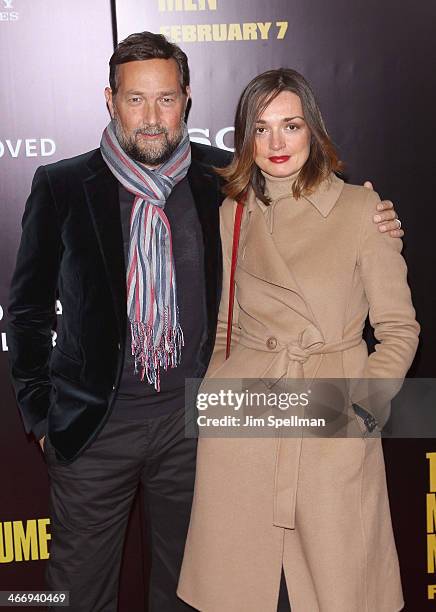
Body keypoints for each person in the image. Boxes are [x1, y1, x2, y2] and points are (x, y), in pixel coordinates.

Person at [7, 30, 402, 612]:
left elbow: (312, 199)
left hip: (194, 429)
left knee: (188, 593)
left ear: (187, 99)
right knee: (74, 595)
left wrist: (378, 215)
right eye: (135, 98)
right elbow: (28, 310)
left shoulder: (224, 179)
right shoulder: (62, 186)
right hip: (93, 431)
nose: (151, 116)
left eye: (165, 98)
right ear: (110, 99)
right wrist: (41, 417)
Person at [177, 69, 419, 612]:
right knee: (247, 589)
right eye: (261, 129)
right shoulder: (232, 213)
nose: (277, 143)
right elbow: (223, 327)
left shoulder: (362, 210)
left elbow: (399, 329)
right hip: (246, 425)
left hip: (330, 416)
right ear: (246, 138)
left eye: (291, 125)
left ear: (313, 130)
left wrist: (364, 405)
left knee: (336, 590)